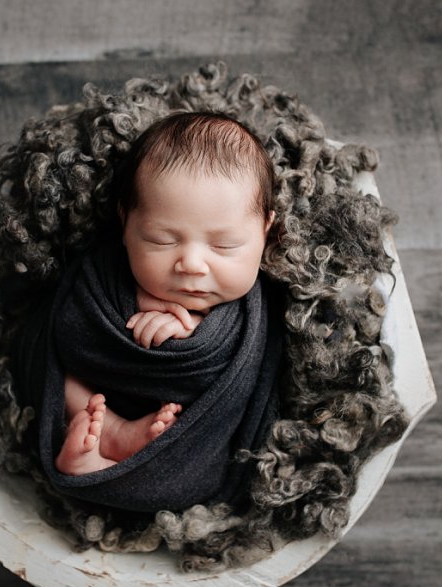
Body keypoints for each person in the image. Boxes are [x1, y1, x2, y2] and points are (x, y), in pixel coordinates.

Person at [53, 111, 277, 476]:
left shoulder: (257, 310)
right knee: (53, 370)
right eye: (162, 240)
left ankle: (125, 466)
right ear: (125, 223)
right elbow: (69, 328)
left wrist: (196, 337)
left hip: (189, 438)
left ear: (266, 229)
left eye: (225, 246)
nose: (191, 264)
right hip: (96, 400)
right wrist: (132, 306)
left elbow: (250, 379)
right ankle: (108, 433)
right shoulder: (105, 275)